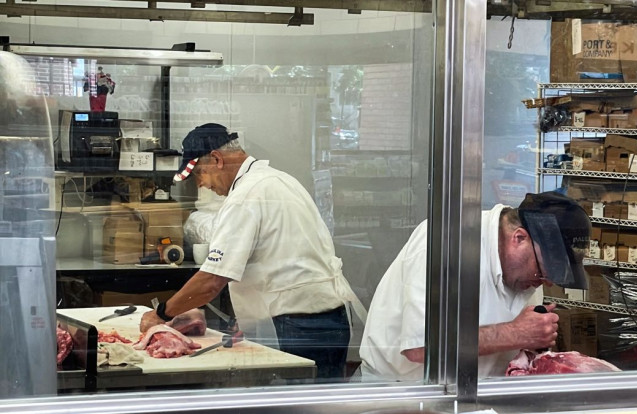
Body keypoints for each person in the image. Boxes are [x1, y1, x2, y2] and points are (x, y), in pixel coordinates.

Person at [140, 123, 366, 381]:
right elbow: (275, 257)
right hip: (328, 319)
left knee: (299, 407)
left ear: (217, 159)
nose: (202, 184)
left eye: (200, 174)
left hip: (299, 326)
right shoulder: (279, 180)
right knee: (320, 404)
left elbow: (211, 281)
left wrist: (161, 314)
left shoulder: (246, 196)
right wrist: (251, 320)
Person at [358, 191, 591, 381]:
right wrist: (517, 333)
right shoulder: (446, 242)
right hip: (399, 394)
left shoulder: (528, 271)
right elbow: (421, 347)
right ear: (519, 238)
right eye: (542, 270)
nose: (545, 282)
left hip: (473, 394)